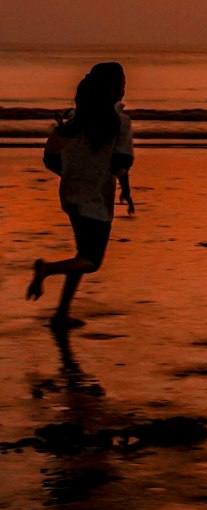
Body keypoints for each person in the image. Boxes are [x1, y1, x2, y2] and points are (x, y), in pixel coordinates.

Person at [26, 62, 134, 329]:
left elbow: (50, 157)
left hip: (71, 194)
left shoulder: (75, 121)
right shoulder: (118, 121)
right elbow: (121, 160)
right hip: (96, 198)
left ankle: (62, 313)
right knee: (92, 261)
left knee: (81, 254)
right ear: (115, 89)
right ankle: (46, 269)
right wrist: (127, 190)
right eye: (122, 84)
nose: (124, 89)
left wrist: (70, 175)